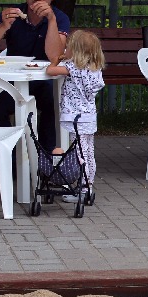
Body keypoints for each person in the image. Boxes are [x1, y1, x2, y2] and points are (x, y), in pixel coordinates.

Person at [0, 0, 70, 153]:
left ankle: (46, 157)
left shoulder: (59, 18)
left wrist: (50, 20)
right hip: (14, 81)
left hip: (46, 80)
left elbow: (55, 56)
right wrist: (3, 26)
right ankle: (7, 158)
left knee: (53, 103)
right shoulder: (13, 14)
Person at [46, 30, 105, 202]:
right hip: (89, 118)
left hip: (74, 118)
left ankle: (82, 189)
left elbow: (51, 71)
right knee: (87, 152)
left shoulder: (72, 68)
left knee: (78, 154)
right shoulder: (95, 69)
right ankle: (89, 184)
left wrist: (57, 59)